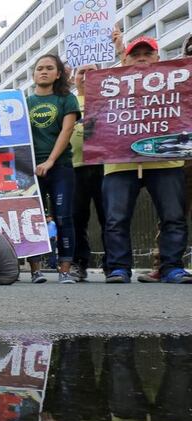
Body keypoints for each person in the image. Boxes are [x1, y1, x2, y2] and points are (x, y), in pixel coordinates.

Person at [102, 36, 191, 283]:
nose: (141, 57)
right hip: (119, 161)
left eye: (147, 53)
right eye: (135, 54)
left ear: (158, 58)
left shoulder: (177, 82)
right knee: (115, 219)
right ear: (126, 59)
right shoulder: (110, 85)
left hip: (166, 160)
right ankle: (119, 268)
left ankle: (171, 267)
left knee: (173, 216)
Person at [27, 54, 80, 284]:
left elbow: (66, 131)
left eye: (49, 68)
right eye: (39, 68)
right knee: (32, 219)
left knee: (63, 217)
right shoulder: (24, 102)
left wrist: (49, 160)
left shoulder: (66, 99)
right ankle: (35, 270)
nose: (44, 72)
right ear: (33, 74)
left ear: (58, 73)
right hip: (28, 170)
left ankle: (65, 270)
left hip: (60, 167)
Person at [69, 66, 106, 281]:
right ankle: (79, 262)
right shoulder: (70, 102)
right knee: (76, 219)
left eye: (93, 71)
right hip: (74, 167)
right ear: (74, 79)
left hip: (106, 167)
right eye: (82, 72)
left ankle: (113, 264)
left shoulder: (111, 101)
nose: (86, 76)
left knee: (109, 218)